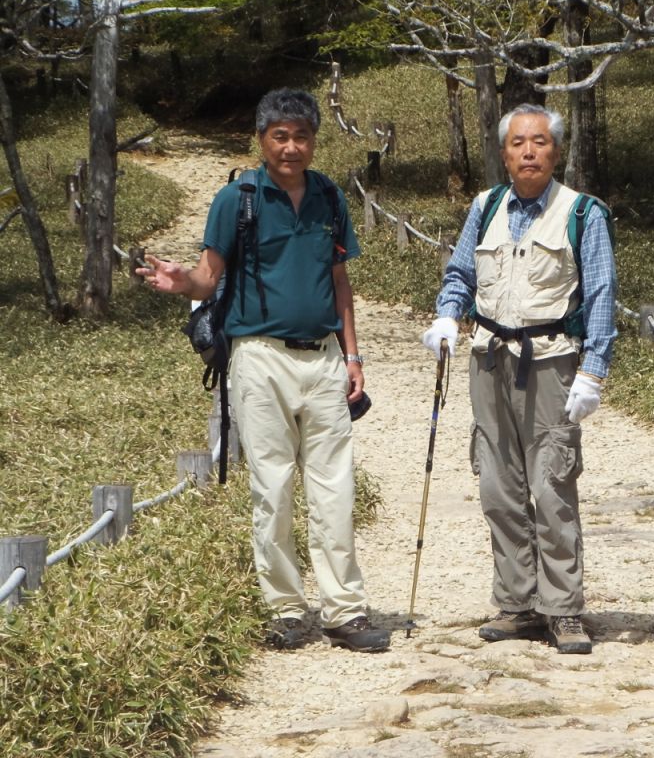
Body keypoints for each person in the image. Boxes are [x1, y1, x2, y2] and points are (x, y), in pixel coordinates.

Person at [137, 88, 390, 653]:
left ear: (314, 140)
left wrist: (353, 356)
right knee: (271, 488)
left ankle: (345, 611)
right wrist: (184, 283)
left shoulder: (329, 197)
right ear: (262, 140)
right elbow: (208, 275)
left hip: (324, 357)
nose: (292, 147)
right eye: (281, 136)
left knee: (335, 488)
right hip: (259, 359)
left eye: (301, 136)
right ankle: (286, 609)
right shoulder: (237, 198)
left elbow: (340, 282)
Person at [422, 104, 617, 655]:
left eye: (539, 142)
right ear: (504, 152)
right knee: (497, 483)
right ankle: (517, 602)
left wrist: (593, 372)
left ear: (556, 152)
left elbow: (601, 296)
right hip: (488, 358)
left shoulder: (583, 213)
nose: (528, 152)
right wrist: (446, 314)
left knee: (551, 482)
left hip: (552, 361)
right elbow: (460, 271)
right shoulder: (485, 207)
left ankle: (563, 608)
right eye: (517, 143)